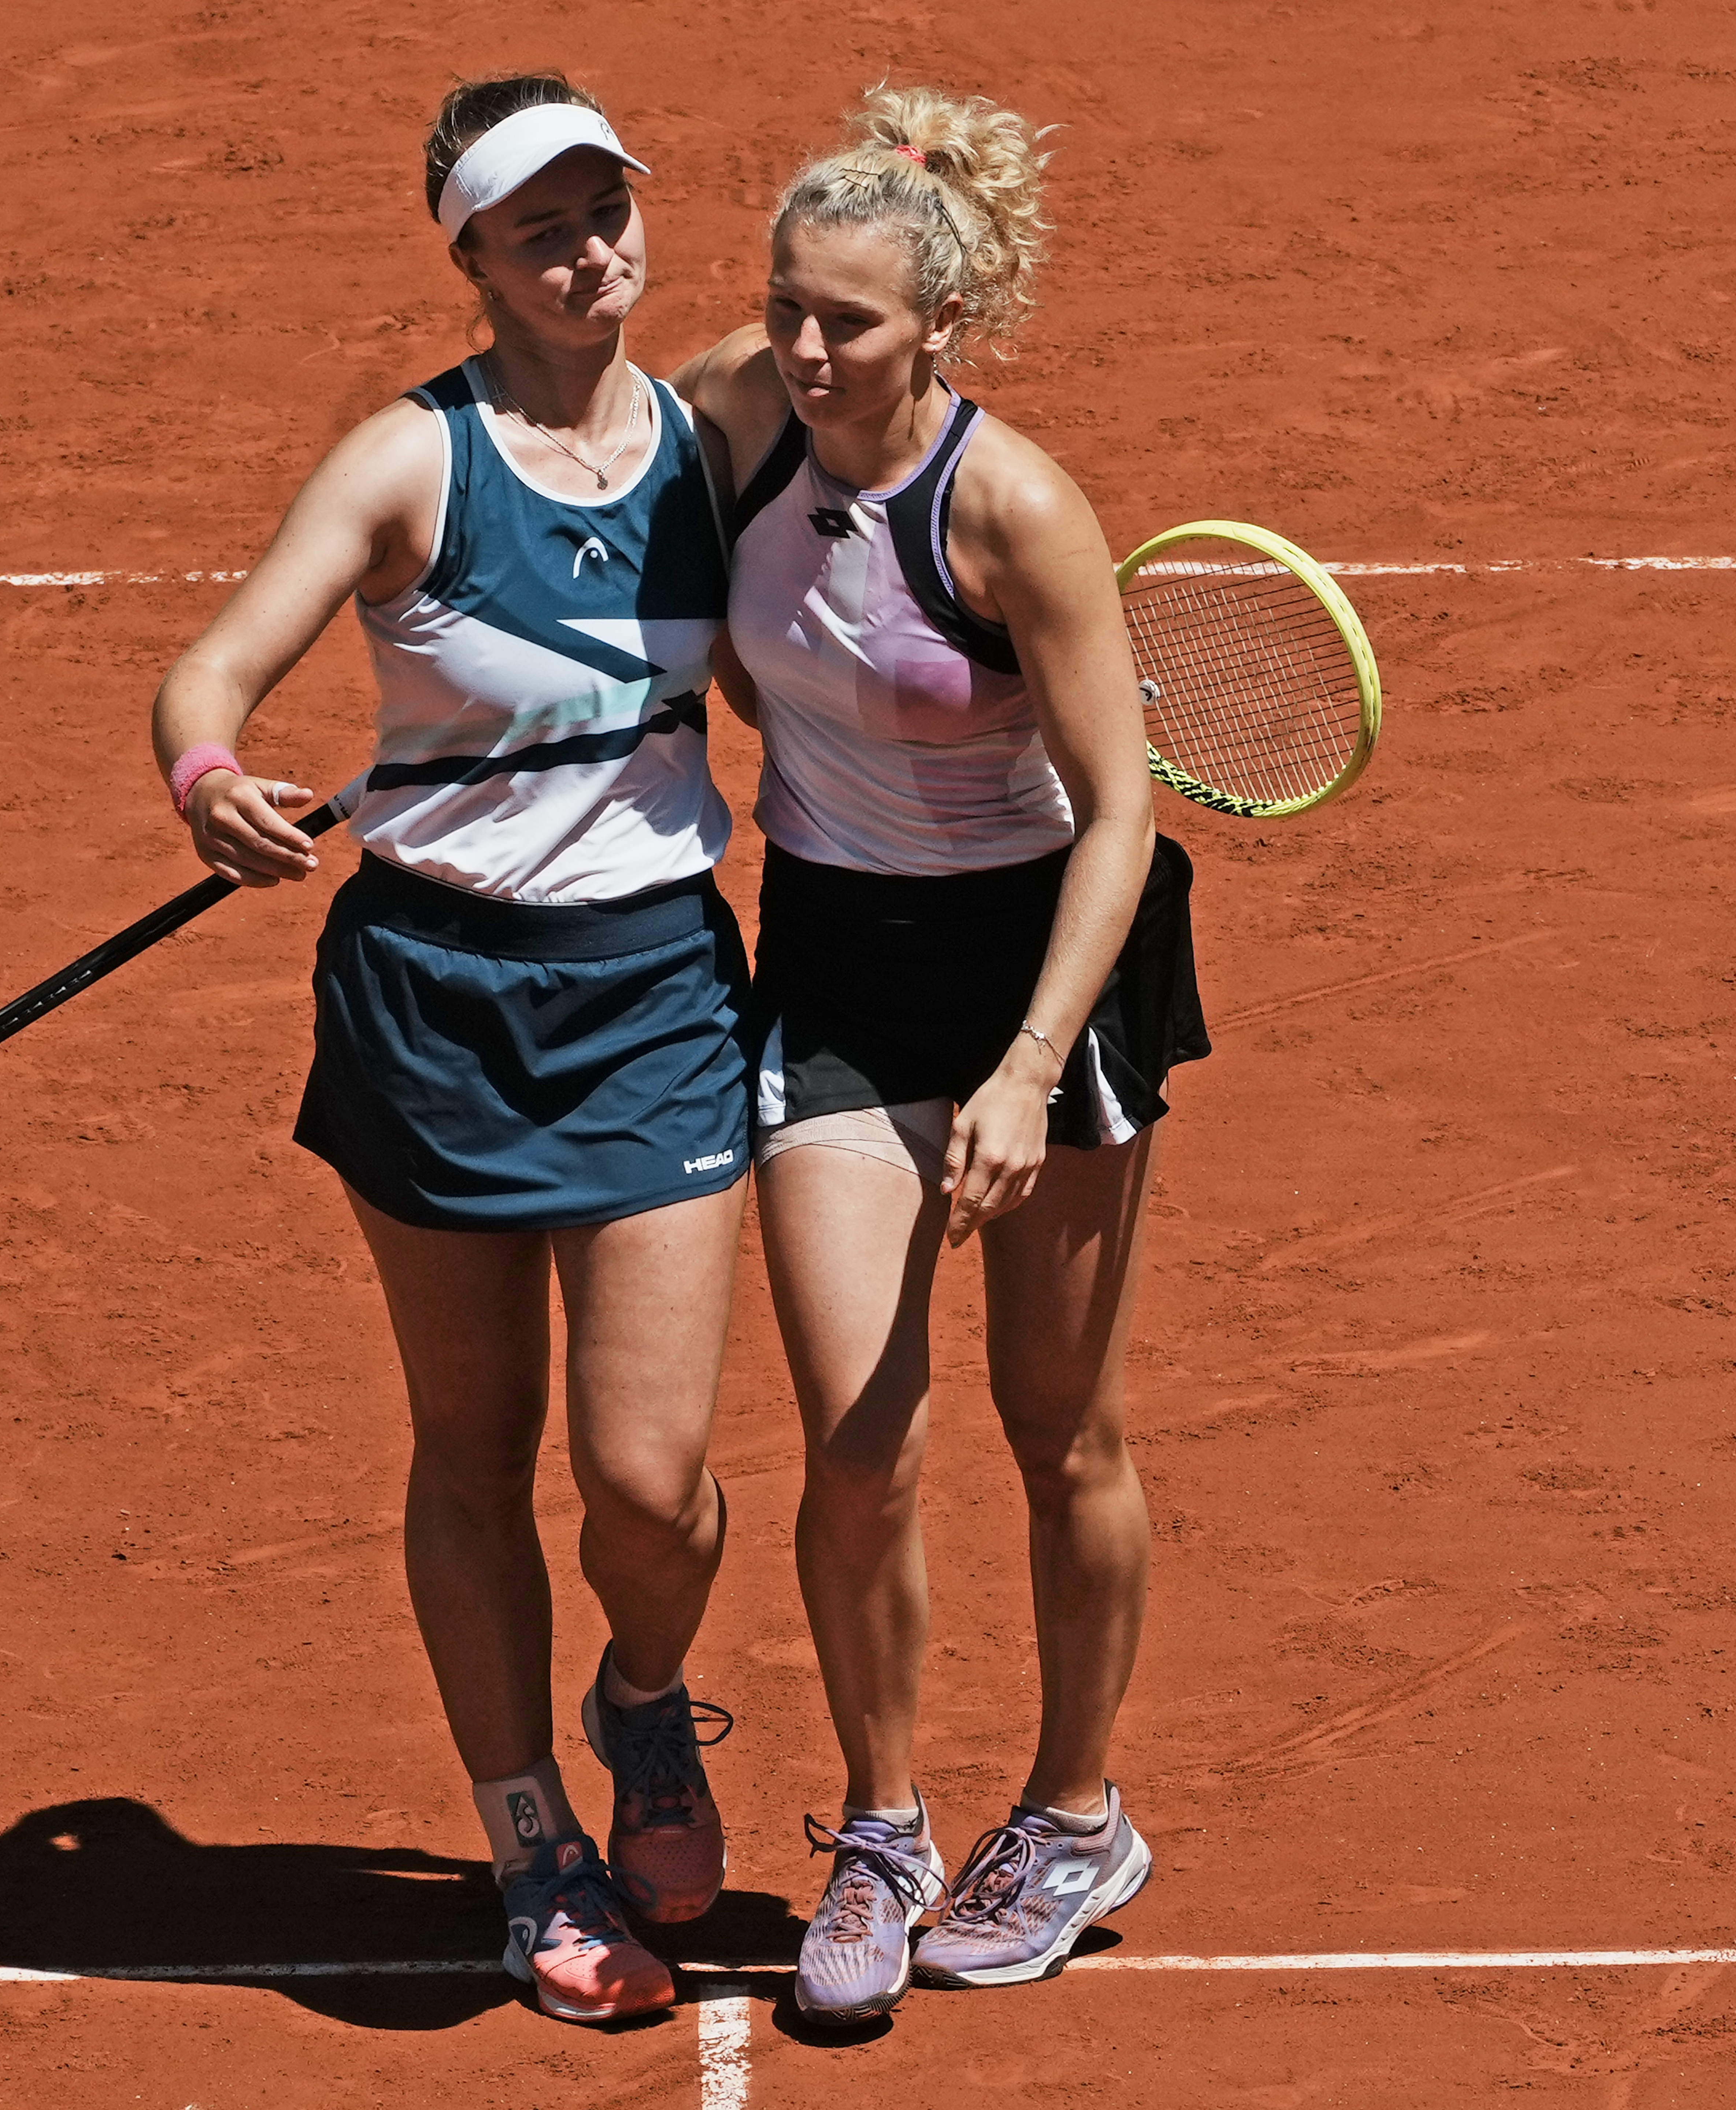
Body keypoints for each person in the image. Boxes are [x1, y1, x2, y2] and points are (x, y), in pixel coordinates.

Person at [148, 74, 751, 2026]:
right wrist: (211, 776)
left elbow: (887, 315)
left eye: (607, 211)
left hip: (656, 992)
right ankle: (531, 1844)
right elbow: (214, 666)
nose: (588, 254)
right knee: (474, 1450)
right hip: (437, 1003)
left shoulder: (719, 428)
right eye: (538, 229)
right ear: (472, 257)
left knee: (650, 1483)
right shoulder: (412, 460)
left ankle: (642, 1698)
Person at [675, 84, 1209, 2022]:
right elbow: (631, 575)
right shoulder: (735, 412)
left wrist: (1026, 1067)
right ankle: (884, 1834)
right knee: (857, 1445)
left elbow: (1123, 812)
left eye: (852, 323)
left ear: (944, 330)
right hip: (833, 967)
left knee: (1060, 1428)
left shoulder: (1017, 514)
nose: (808, 350)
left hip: (1042, 977)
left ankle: (1074, 1816)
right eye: (788, 308)